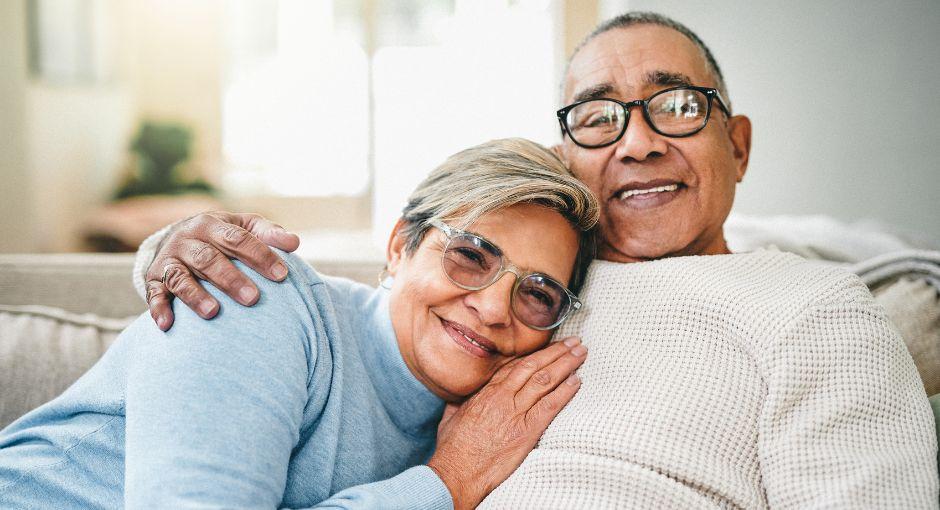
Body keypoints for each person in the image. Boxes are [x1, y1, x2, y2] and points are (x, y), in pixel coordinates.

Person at [131, 11, 938, 508]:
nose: (639, 140)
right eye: (597, 117)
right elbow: (349, 311)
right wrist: (170, 251)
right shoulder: (533, 294)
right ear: (567, 160)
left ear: (739, 143)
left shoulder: (814, 305)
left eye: (679, 106)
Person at [0, 139, 599, 509]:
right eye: (470, 256)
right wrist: (445, 485)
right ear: (398, 247)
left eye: (539, 294)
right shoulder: (259, 289)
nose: (494, 308)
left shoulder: (490, 426)